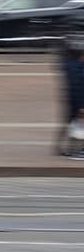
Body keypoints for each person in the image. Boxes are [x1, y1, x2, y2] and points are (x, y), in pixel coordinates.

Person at [59, 30, 84, 160]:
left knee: (76, 126)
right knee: (78, 127)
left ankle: (73, 150)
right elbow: (78, 87)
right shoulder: (75, 68)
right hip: (77, 102)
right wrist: (81, 106)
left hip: (74, 102)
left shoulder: (70, 64)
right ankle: (76, 151)